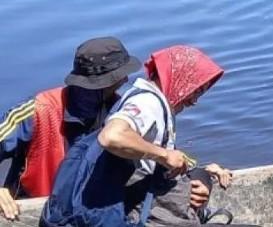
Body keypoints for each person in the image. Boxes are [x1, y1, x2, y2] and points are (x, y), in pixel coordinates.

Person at [40, 45, 232, 227]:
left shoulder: (155, 101)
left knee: (201, 176)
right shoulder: (148, 103)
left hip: (135, 201)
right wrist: (164, 155)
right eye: (195, 90)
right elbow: (111, 136)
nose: (195, 100)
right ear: (178, 78)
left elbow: (156, 154)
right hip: (134, 214)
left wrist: (202, 170)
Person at [0, 37, 141, 222]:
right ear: (102, 83)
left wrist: (187, 182)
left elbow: (150, 154)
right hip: (37, 212)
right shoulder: (36, 111)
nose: (125, 79)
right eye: (120, 76)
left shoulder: (120, 112)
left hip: (93, 213)